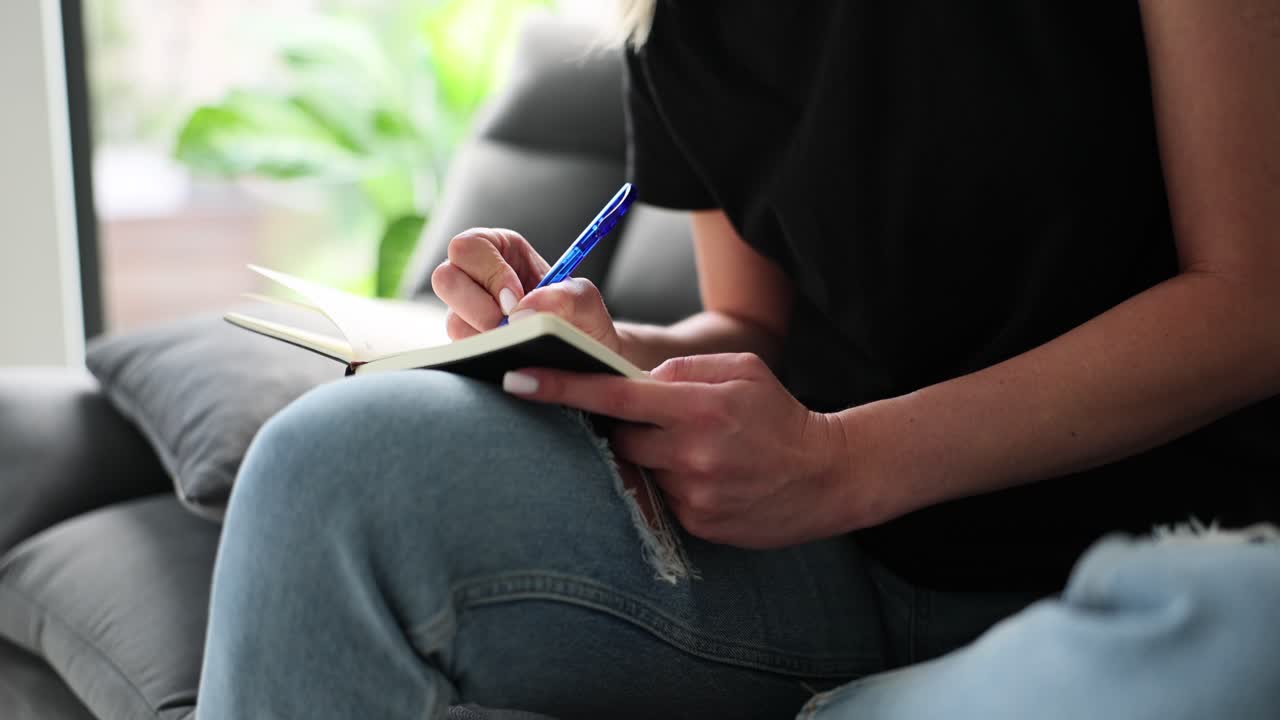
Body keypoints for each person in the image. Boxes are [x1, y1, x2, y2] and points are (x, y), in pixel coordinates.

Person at [196, 2, 1280, 718]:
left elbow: (1254, 302)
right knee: (325, 472)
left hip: (1160, 557)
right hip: (830, 564)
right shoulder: (679, 23)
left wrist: (844, 460)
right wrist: (603, 347)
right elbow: (750, 329)